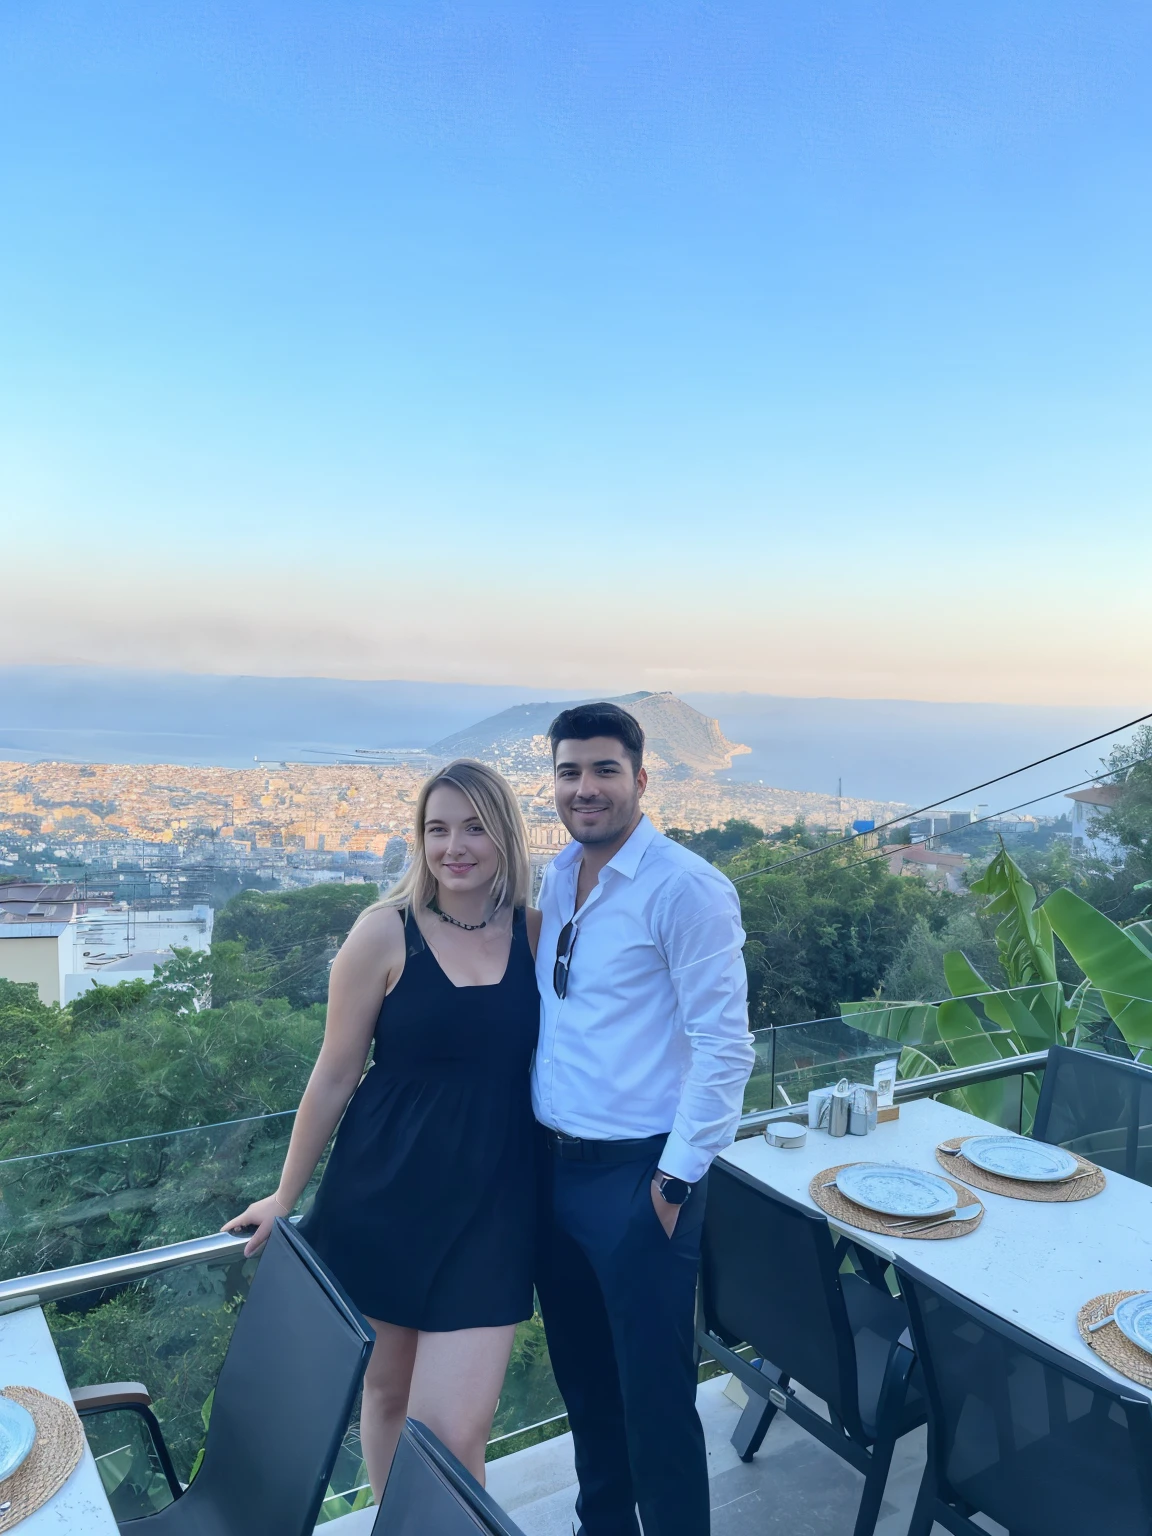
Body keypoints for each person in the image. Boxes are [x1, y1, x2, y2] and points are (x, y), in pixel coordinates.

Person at [223, 759, 540, 1500]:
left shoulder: (536, 928)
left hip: (496, 1205)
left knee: (457, 1434)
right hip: (384, 1194)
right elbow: (334, 1074)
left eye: (473, 827)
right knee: (387, 1396)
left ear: (505, 836)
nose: (453, 846)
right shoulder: (382, 933)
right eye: (436, 829)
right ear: (417, 840)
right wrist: (284, 1193)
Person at [533, 702, 754, 1536]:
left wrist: (671, 1183)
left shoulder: (686, 888)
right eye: (569, 772)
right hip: (555, 1172)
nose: (584, 789)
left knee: (655, 1407)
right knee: (586, 1391)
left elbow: (725, 1049)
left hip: (640, 1179)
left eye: (603, 771)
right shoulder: (560, 876)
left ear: (640, 779)